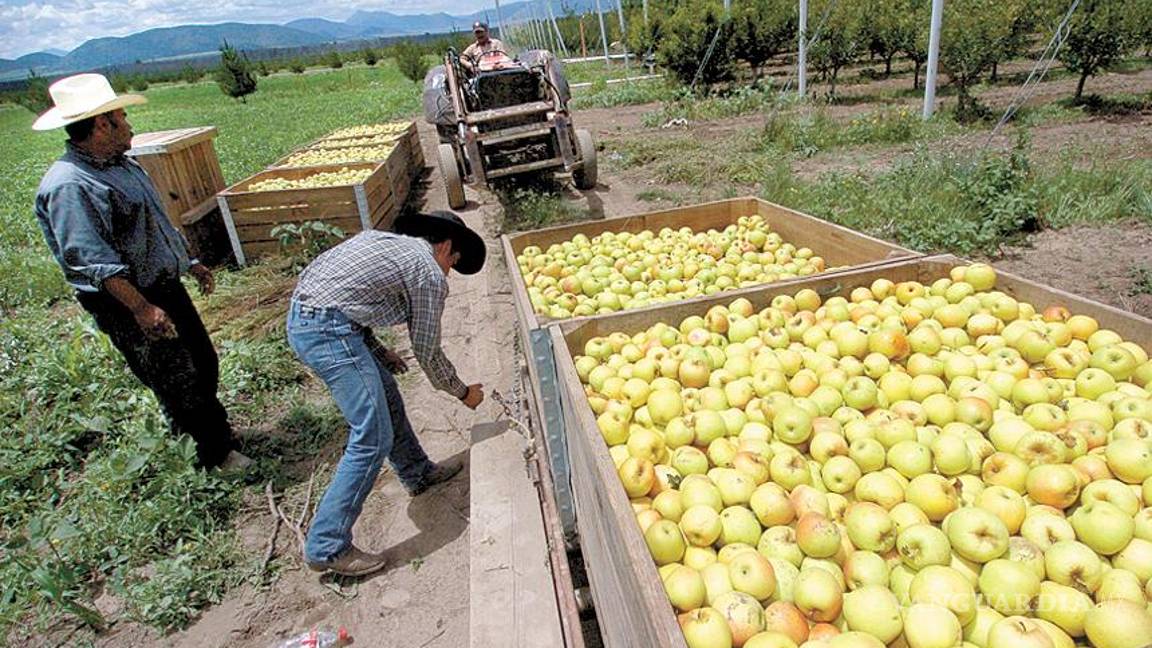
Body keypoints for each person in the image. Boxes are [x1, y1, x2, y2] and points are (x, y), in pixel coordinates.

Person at [32, 73, 248, 471]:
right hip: (128, 300)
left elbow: (157, 226)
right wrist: (142, 309)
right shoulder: (71, 185)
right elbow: (92, 261)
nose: (129, 124)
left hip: (163, 287)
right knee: (177, 377)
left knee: (201, 362)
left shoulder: (123, 166)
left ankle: (207, 435)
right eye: (122, 116)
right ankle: (212, 457)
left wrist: (190, 263)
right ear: (102, 125)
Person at [287, 211, 486, 577]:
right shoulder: (427, 270)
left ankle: (417, 473)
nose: (448, 274)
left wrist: (379, 353)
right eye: (453, 262)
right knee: (371, 434)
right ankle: (326, 545)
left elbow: (345, 301)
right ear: (444, 246)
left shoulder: (383, 242)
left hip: (314, 320)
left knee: (386, 396)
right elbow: (427, 351)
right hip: (327, 331)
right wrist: (462, 393)